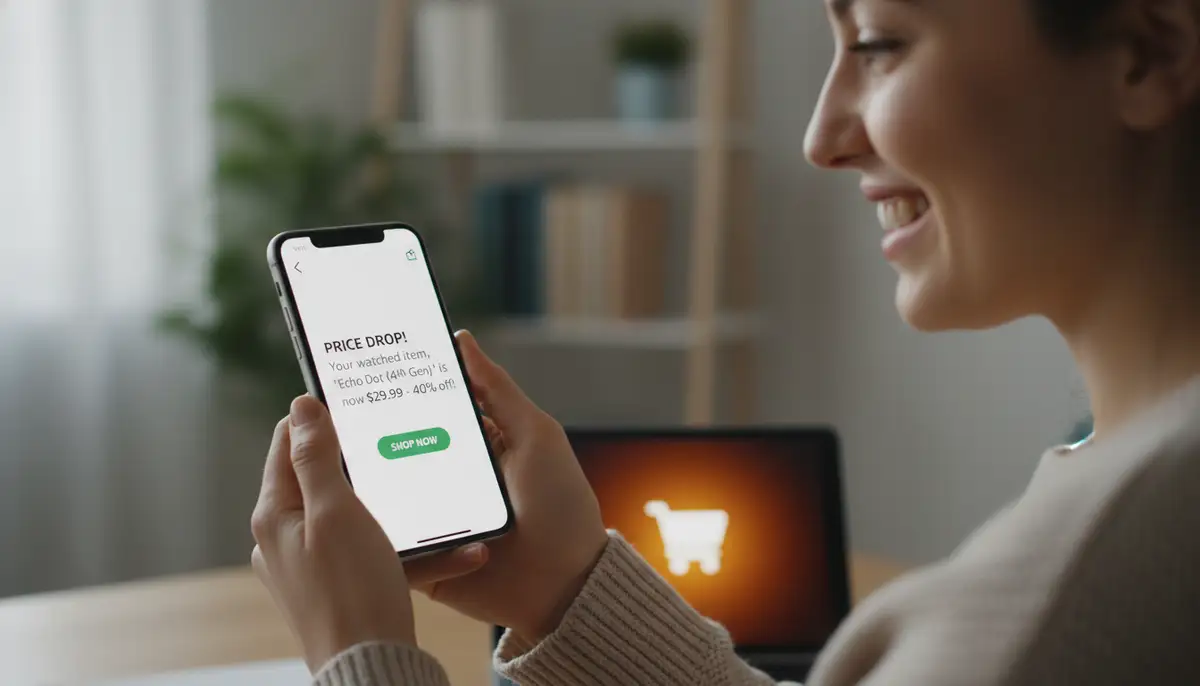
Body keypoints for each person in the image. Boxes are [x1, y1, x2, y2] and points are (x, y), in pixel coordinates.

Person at [248, 0, 1200, 683]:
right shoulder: (1121, 482)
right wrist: (565, 592)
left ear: (1146, 56)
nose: (821, 137)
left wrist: (360, 653)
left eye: (878, 44)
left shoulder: (1087, 583)